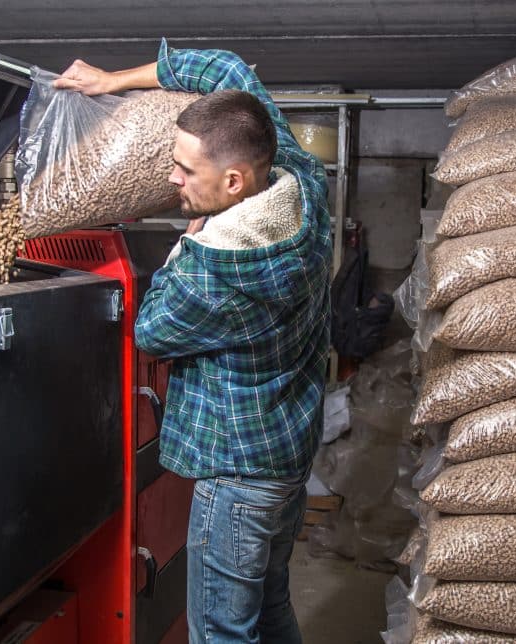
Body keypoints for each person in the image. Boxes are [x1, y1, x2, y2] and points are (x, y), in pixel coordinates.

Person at [56, 40, 332, 643]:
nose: (170, 178)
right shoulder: (301, 180)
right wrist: (112, 81)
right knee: (269, 605)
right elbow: (225, 69)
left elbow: (151, 330)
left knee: (219, 632)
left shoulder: (217, 273)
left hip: (238, 479)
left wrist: (187, 246)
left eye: (184, 170)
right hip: (287, 451)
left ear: (233, 180)